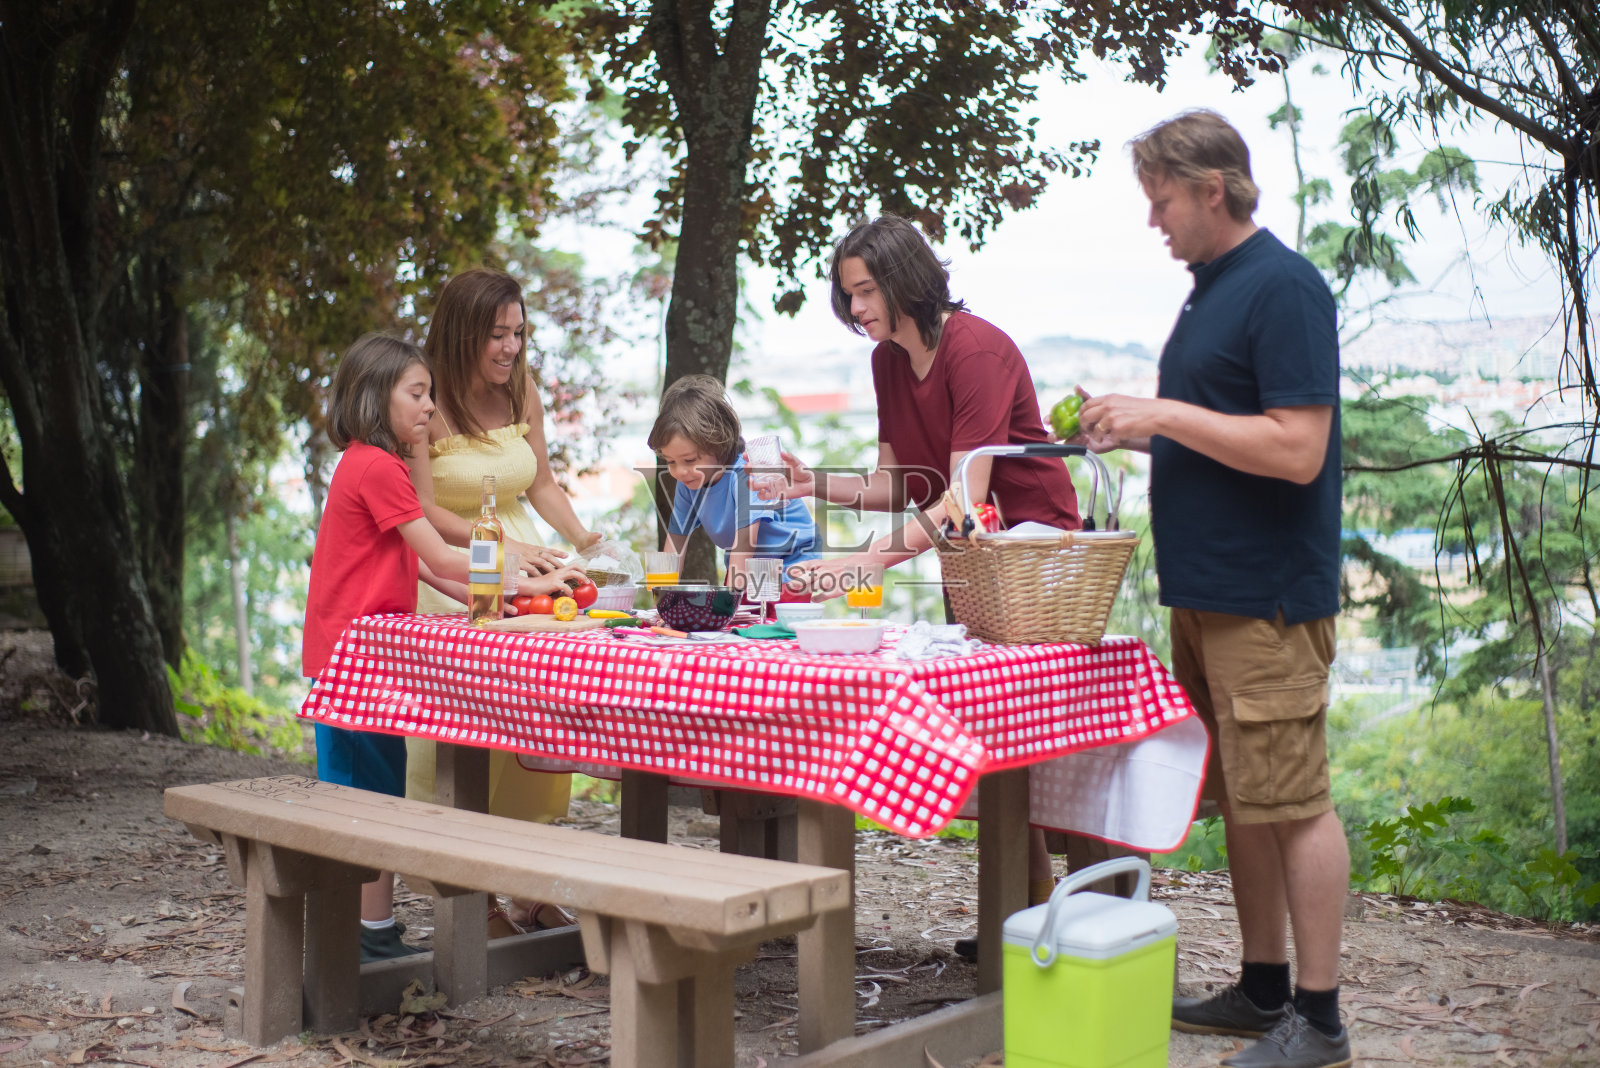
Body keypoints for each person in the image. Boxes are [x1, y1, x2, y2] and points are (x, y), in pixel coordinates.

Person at [1076, 109, 1350, 1068]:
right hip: (1204, 595)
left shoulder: (1284, 287)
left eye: (1162, 202)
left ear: (1212, 189)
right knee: (1244, 801)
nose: (1154, 221)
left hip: (1265, 596)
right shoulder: (1211, 293)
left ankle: (1319, 1019)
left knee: (1296, 802)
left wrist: (1164, 413)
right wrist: (1136, 428)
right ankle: (1263, 986)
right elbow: (1222, 433)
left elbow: (1297, 447)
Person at [769, 214, 1080, 914]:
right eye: (848, 294)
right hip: (970, 560)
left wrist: (865, 562)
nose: (856, 308)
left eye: (866, 291)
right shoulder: (887, 361)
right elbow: (897, 483)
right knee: (991, 734)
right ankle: (1028, 909)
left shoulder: (977, 351)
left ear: (904, 280)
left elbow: (962, 501)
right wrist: (812, 483)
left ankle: (1070, 912)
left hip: (1032, 556)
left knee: (1023, 736)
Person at [304, 333, 580, 961]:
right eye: (417, 393)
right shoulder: (376, 467)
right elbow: (442, 553)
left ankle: (372, 932)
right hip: (352, 661)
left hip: (366, 659)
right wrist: (525, 579)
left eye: (430, 393)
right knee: (364, 802)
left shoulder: (373, 464)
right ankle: (357, 941)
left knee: (379, 792)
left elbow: (423, 566)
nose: (430, 406)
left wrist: (488, 597)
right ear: (377, 396)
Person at [404, 268, 599, 935]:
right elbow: (423, 508)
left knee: (539, 716)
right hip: (454, 572)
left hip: (527, 570)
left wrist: (584, 540)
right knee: (462, 731)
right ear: (463, 332)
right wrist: (505, 550)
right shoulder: (424, 400)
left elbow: (540, 483)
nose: (511, 347)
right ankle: (467, 893)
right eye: (497, 334)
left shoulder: (521, 388)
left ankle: (529, 884)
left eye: (518, 333)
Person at [648, 374, 819, 598]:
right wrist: (661, 603)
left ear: (717, 444)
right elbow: (675, 544)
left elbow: (745, 543)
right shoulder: (688, 483)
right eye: (671, 462)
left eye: (689, 460)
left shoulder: (748, 474)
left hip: (792, 565)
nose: (679, 471)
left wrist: (726, 604)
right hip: (747, 567)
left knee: (759, 616)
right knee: (736, 611)